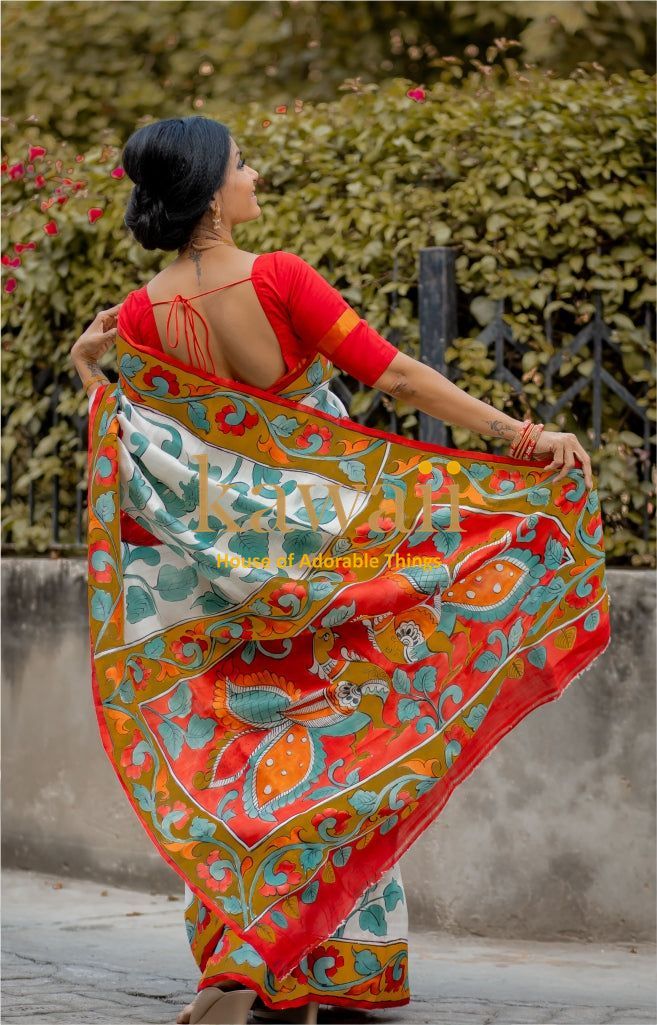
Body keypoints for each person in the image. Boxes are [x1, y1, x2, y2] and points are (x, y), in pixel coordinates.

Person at [71, 116, 604, 1025]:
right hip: (333, 550)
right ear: (208, 190)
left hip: (228, 574)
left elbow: (143, 430)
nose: (254, 176)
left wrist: (92, 363)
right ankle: (283, 967)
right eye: (241, 164)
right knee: (352, 743)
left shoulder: (134, 316)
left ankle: (246, 967)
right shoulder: (277, 276)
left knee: (252, 755)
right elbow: (394, 379)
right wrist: (521, 437)